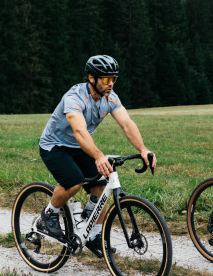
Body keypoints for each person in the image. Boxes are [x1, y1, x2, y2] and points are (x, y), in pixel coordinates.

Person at [37, 54, 156, 257]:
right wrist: (99, 156)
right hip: (54, 145)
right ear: (91, 78)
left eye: (113, 79)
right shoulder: (74, 97)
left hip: (79, 147)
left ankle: (94, 236)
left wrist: (143, 149)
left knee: (102, 183)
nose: (111, 84)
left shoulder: (110, 97)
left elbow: (127, 124)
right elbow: (79, 132)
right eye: (106, 79)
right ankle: (49, 214)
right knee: (73, 181)